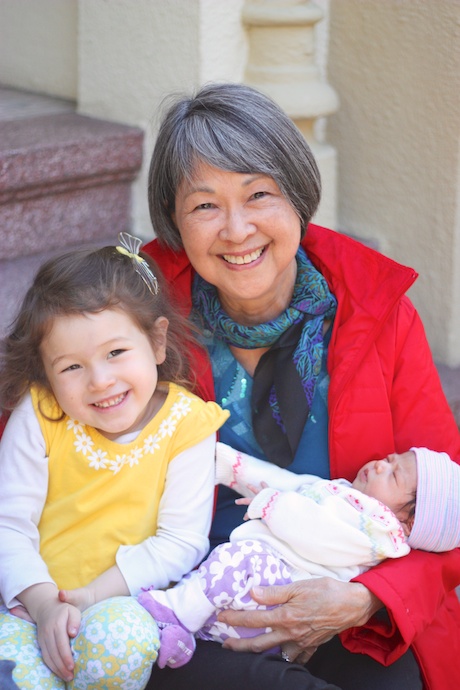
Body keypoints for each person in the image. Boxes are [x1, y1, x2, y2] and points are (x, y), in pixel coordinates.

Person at [142, 83, 460, 690]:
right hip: (191, 604)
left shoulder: (377, 312)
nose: (237, 230)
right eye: (205, 205)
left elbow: (450, 494)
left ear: (298, 198)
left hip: (349, 602)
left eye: (259, 194)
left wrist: (366, 600)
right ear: (175, 220)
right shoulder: (138, 311)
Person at [0, 233, 229, 690]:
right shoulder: (42, 413)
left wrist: (89, 596)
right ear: (46, 372)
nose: (100, 381)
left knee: (123, 642)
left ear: (157, 342)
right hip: (29, 600)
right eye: (71, 367)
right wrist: (46, 605)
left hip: (122, 602)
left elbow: (181, 540)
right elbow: (8, 525)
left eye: (115, 353)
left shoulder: (187, 425)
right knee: (17, 671)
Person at [139, 443, 460, 671]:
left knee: (240, 559)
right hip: (262, 600)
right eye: (390, 460)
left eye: (393, 475)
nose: (380, 464)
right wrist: (232, 466)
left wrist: (272, 506)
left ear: (408, 523)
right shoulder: (353, 498)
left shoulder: (378, 533)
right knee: (224, 572)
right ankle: (183, 636)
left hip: (280, 594)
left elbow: (319, 533)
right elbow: (292, 483)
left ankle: (172, 613)